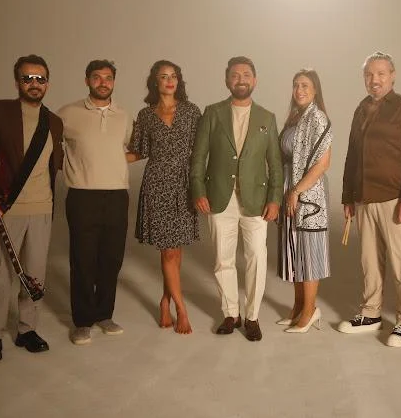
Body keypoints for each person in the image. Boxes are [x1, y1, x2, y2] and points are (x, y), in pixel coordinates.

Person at [0, 55, 63, 362]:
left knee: (35, 274)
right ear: (17, 82)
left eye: (40, 79)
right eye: (28, 78)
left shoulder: (55, 122)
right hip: (3, 208)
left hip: (42, 208)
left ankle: (27, 330)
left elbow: (55, 164)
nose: (34, 84)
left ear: (47, 83)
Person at [190, 56, 283, 342]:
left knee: (256, 257)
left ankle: (252, 317)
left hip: (257, 201)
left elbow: (275, 164)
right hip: (219, 198)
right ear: (227, 80)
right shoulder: (212, 113)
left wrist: (275, 199)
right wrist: (198, 191)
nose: (240, 79)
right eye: (235, 75)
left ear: (254, 80)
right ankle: (231, 313)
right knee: (223, 259)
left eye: (246, 75)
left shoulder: (267, 118)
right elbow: (198, 158)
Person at [339, 51, 401, 347]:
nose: (374, 79)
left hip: (395, 199)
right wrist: (348, 196)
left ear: (392, 75)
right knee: (369, 261)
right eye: (369, 74)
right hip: (364, 198)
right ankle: (371, 313)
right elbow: (352, 155)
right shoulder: (361, 108)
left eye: (380, 73)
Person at [58, 60, 132, 345]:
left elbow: (131, 149)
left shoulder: (124, 116)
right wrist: (72, 166)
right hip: (82, 195)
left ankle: (104, 315)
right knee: (83, 259)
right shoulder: (68, 113)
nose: (103, 82)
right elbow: (48, 147)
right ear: (87, 80)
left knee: (111, 259)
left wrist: (113, 163)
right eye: (97, 77)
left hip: (117, 195)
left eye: (108, 78)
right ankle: (82, 321)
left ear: (114, 82)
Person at [126, 60, 201, 334]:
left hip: (184, 184)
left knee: (175, 250)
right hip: (157, 184)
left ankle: (165, 301)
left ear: (178, 81)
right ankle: (182, 310)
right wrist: (104, 157)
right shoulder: (146, 115)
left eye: (173, 76)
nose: (169, 81)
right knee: (168, 250)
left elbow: (202, 149)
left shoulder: (192, 111)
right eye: (163, 76)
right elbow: (139, 151)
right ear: (155, 82)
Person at [277, 69, 332, 333]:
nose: (299, 90)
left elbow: (323, 163)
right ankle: (298, 307)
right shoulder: (295, 117)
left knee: (309, 252)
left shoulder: (317, 117)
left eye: (305, 85)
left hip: (309, 193)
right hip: (290, 187)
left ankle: (310, 311)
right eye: (296, 85)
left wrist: (297, 190)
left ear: (315, 90)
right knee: (296, 250)